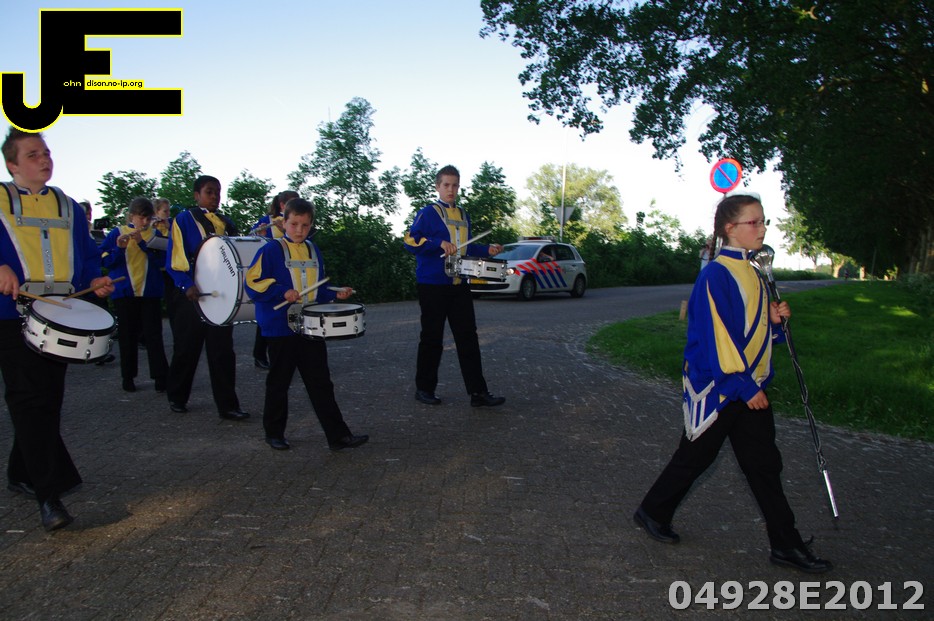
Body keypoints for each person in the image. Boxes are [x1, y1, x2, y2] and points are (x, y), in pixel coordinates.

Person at [633, 193, 832, 573]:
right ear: (730, 228)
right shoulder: (716, 274)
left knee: (763, 465)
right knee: (695, 458)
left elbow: (749, 330)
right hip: (721, 388)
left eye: (763, 221)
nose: (762, 229)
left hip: (745, 385)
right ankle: (653, 511)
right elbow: (717, 338)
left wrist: (774, 323)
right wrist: (744, 386)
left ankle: (785, 544)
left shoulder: (753, 270)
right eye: (753, 222)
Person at [0, 127, 115, 531]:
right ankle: (49, 495)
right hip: (9, 316)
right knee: (30, 401)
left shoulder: (67, 205)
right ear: (12, 165)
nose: (44, 159)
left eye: (46, 152)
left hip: (59, 314)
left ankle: (20, 472)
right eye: (33, 155)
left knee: (45, 400)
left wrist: (95, 280)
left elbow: (86, 256)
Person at [245, 198, 368, 451]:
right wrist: (282, 291)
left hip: (311, 325)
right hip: (280, 327)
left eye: (305, 225)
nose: (299, 230)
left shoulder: (313, 249)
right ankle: (274, 433)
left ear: (311, 225)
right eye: (294, 224)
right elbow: (252, 282)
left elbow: (318, 287)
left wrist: (335, 293)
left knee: (321, 382)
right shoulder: (270, 250)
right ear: (283, 223)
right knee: (279, 382)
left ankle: (338, 437)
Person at [403, 165, 505, 407]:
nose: (451, 189)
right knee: (432, 338)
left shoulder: (463, 215)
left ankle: (478, 393)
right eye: (446, 185)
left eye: (455, 185)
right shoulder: (427, 213)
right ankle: (424, 389)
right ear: (437, 187)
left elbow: (466, 247)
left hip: (460, 284)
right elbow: (410, 241)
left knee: (468, 338)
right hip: (432, 285)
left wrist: (487, 250)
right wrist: (438, 243)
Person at [164, 175, 248, 420]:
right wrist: (186, 284)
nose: (215, 197)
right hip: (191, 295)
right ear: (197, 195)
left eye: (218, 192)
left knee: (223, 352)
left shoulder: (227, 222)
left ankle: (228, 406)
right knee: (186, 349)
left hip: (221, 296)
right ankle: (177, 396)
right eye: (209, 192)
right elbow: (175, 258)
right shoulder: (184, 219)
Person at [100, 197, 169, 392]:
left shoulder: (155, 234)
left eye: (148, 218)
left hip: (150, 293)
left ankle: (160, 377)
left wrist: (142, 244)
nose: (144, 222)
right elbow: (105, 261)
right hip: (124, 293)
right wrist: (119, 249)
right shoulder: (117, 233)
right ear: (131, 216)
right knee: (127, 337)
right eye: (141, 218)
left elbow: (163, 261)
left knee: (154, 336)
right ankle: (128, 377)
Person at [249, 190, 298, 370]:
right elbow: (253, 243)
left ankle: (291, 354)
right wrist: (262, 233)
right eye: (292, 202)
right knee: (268, 316)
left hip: (291, 273)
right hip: (272, 274)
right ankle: (260, 355)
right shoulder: (266, 220)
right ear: (282, 205)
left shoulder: (295, 220)